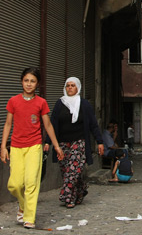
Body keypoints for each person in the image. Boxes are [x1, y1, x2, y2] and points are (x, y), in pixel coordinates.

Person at [0, 67, 64, 229]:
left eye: (33, 81)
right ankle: (22, 205)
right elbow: (8, 124)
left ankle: (29, 217)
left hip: (35, 146)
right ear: (22, 82)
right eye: (26, 80)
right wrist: (3, 147)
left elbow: (47, 125)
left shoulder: (41, 103)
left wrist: (56, 146)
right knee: (14, 185)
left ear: (38, 84)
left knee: (31, 183)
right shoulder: (13, 101)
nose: (29, 84)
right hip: (16, 147)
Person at [44, 77, 104, 209]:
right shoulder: (60, 103)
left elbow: (93, 124)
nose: (70, 88)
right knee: (67, 171)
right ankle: (80, 190)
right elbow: (52, 124)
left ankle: (67, 196)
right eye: (68, 85)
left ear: (78, 88)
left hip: (79, 142)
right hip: (62, 144)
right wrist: (48, 141)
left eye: (73, 85)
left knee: (73, 171)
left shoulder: (84, 104)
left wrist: (99, 141)